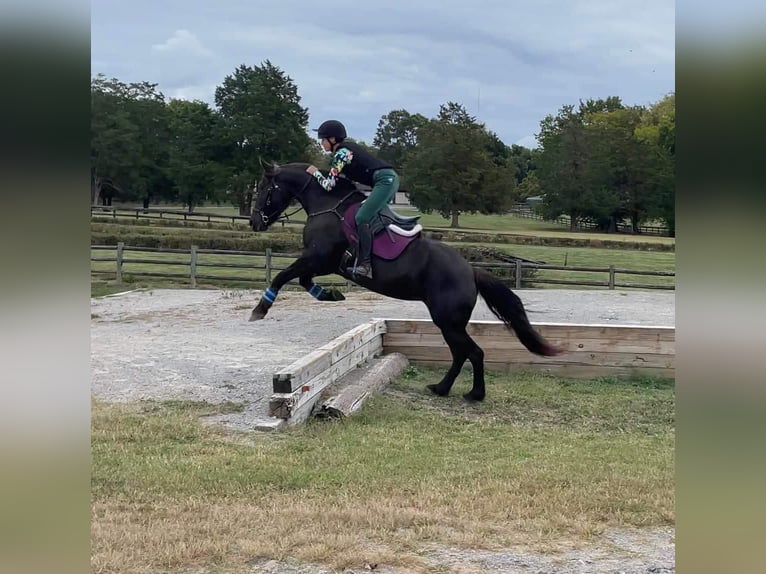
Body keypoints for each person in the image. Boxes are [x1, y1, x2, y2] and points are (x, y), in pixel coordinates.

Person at [306, 120, 399, 280]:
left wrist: (315, 173)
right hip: (385, 180)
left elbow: (329, 185)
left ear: (333, 139)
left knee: (362, 217)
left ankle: (366, 265)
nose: (321, 143)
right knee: (365, 216)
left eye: (323, 139)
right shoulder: (346, 151)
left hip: (384, 181)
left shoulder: (342, 153)